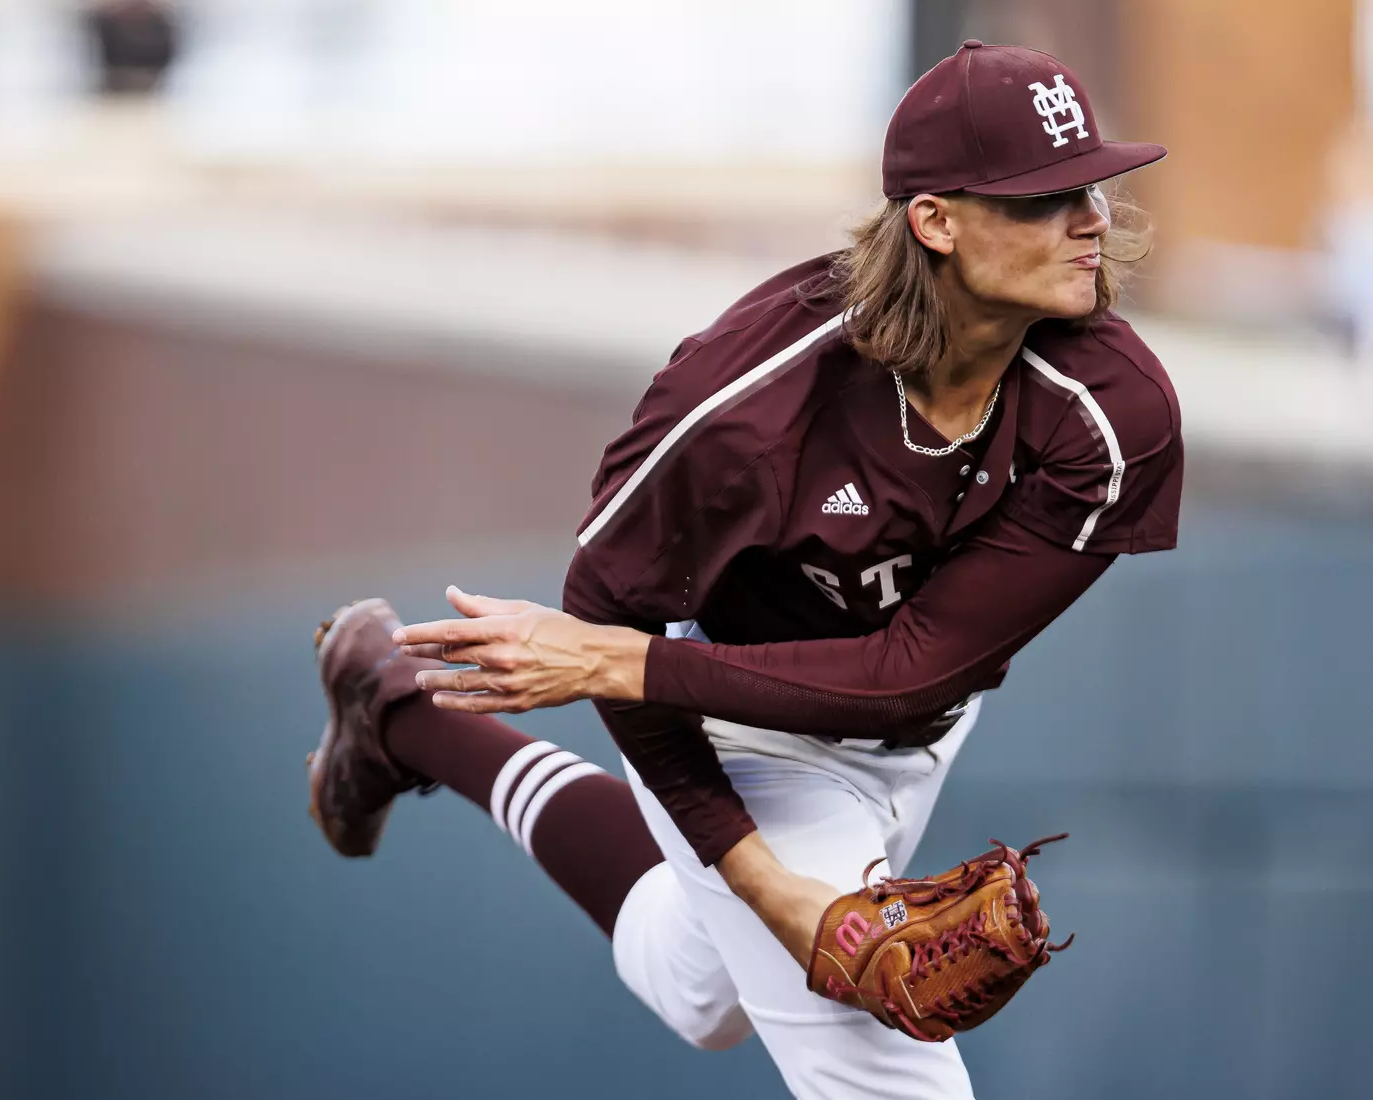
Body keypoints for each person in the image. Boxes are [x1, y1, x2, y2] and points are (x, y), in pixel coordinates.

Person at [306, 41, 1181, 1099]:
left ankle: (403, 710)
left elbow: (918, 667)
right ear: (936, 221)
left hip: (908, 710)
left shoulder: (1111, 408)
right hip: (732, 711)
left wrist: (641, 691)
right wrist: (766, 873)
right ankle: (420, 714)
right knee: (890, 1079)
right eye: (1041, 198)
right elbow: (603, 630)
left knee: (700, 991)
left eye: (1087, 183)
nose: (1089, 216)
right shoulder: (744, 408)